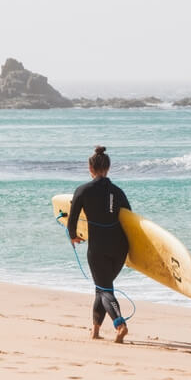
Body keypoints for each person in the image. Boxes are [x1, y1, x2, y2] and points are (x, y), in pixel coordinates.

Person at [67, 146, 131, 343]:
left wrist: (73, 236)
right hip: (120, 247)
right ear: (108, 168)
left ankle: (120, 325)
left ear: (90, 168)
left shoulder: (83, 190)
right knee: (102, 286)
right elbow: (129, 219)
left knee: (104, 289)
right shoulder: (117, 191)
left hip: (98, 248)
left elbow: (72, 220)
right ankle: (95, 331)